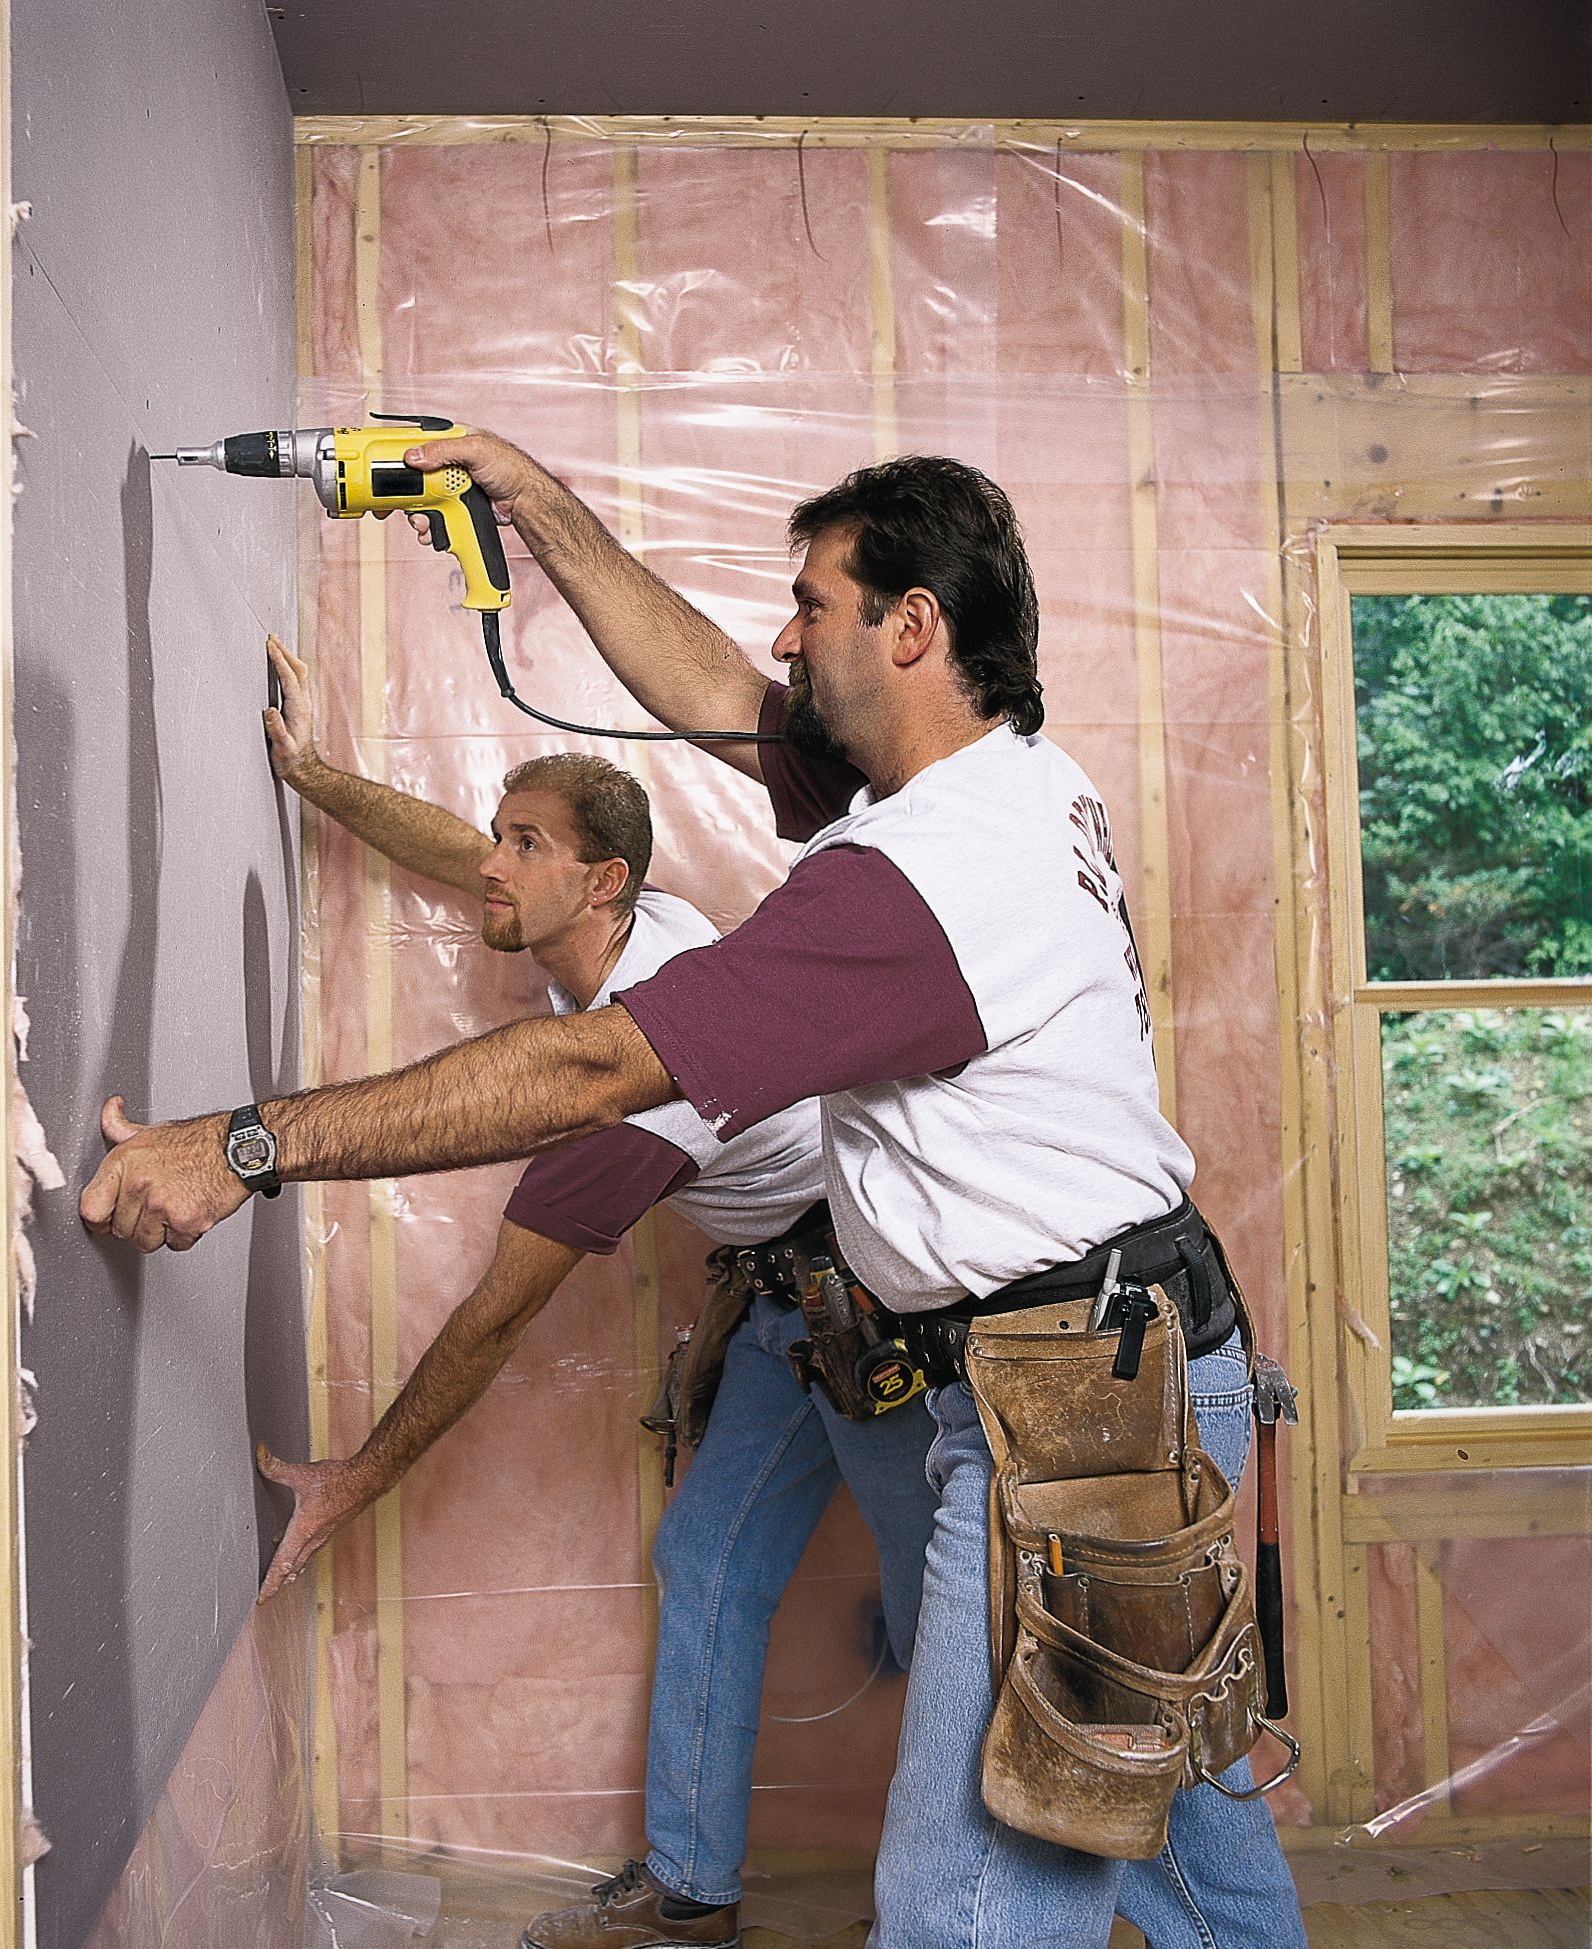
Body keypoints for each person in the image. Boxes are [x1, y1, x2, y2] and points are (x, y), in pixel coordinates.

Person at [80, 440, 1307, 1948]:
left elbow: (591, 1070)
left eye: (814, 606)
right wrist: (531, 502)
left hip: (1077, 1416)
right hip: (1115, 1366)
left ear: (909, 625)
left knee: (966, 1903)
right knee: (1182, 1816)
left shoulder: (917, 880)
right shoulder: (1000, 777)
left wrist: (243, 1144)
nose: (786, 640)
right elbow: (724, 699)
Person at [250, 632, 940, 1948]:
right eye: (500, 836)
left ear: (599, 881)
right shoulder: (618, 921)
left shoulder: (639, 1081)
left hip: (876, 1310)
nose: (488, 866)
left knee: (949, 1620)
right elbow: (443, 848)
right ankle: (688, 1895)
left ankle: (1012, 1906)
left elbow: (490, 1320)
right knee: (710, 1560)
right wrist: (314, 775)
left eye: (521, 845)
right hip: (790, 1305)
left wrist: (353, 1476)